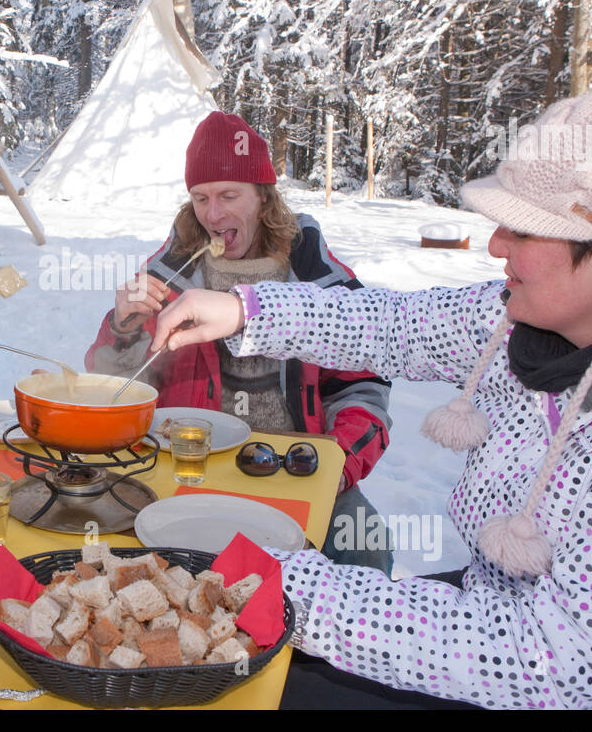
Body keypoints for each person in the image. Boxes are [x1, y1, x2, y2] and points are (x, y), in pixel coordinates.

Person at [151, 43, 592, 708]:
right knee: (253, 678)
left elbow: (547, 661)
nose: (496, 247)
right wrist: (241, 310)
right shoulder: (545, 317)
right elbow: (395, 327)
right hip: (497, 608)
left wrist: (277, 582)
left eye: (521, 231)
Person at [86, 111, 394, 572]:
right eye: (200, 198)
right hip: (186, 463)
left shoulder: (316, 277)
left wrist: (334, 465)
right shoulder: (169, 273)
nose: (213, 215)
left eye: (229, 195)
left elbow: (363, 387)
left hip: (293, 468)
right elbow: (116, 384)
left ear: (263, 197)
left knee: (365, 546)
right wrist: (124, 325)